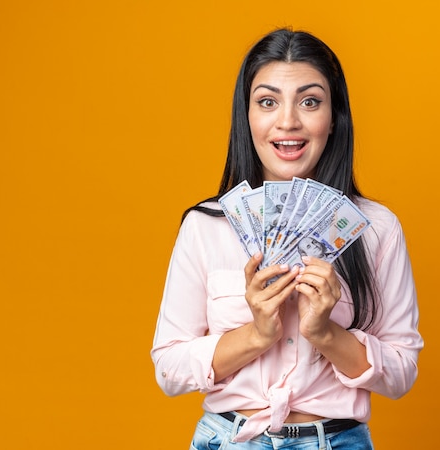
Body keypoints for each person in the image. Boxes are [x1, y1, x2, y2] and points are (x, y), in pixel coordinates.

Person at [151, 28, 423, 449]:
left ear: (334, 119)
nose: (288, 121)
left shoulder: (376, 228)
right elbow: (168, 369)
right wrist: (257, 334)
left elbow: (402, 372)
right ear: (248, 117)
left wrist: (327, 333)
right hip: (229, 440)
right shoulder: (206, 226)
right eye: (267, 101)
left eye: (310, 101)